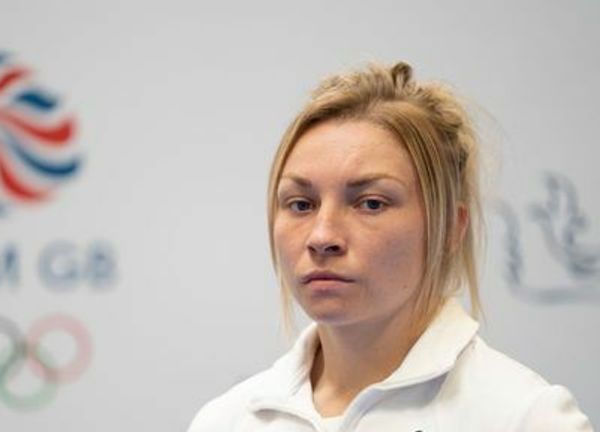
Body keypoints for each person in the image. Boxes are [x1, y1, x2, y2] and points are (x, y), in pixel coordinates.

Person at [187, 62, 593, 431]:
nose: (322, 236)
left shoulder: (525, 418)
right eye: (301, 204)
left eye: (371, 203)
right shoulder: (227, 420)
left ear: (451, 228)